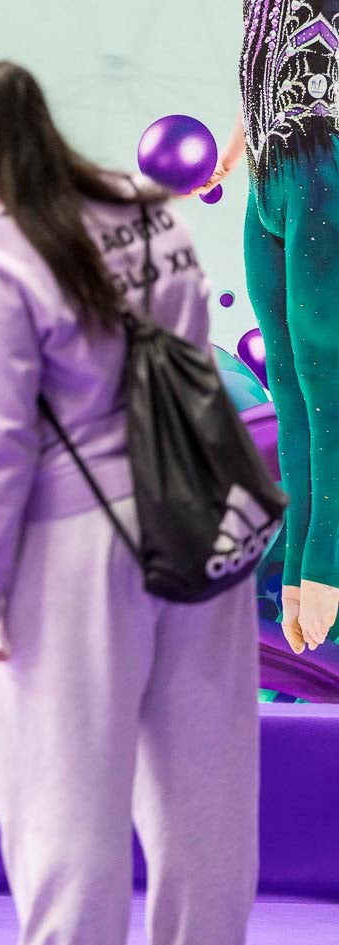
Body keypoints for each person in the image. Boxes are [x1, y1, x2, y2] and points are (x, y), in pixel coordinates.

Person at [0, 61, 256, 945]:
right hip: (199, 518)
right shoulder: (148, 205)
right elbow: (189, 356)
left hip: (73, 544)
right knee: (207, 799)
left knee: (63, 805)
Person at [197, 1, 339, 652]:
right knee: (286, 387)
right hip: (265, 179)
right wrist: (231, 153)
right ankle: (296, 561)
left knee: (323, 381)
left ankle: (325, 563)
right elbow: (258, 70)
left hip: (319, 169)